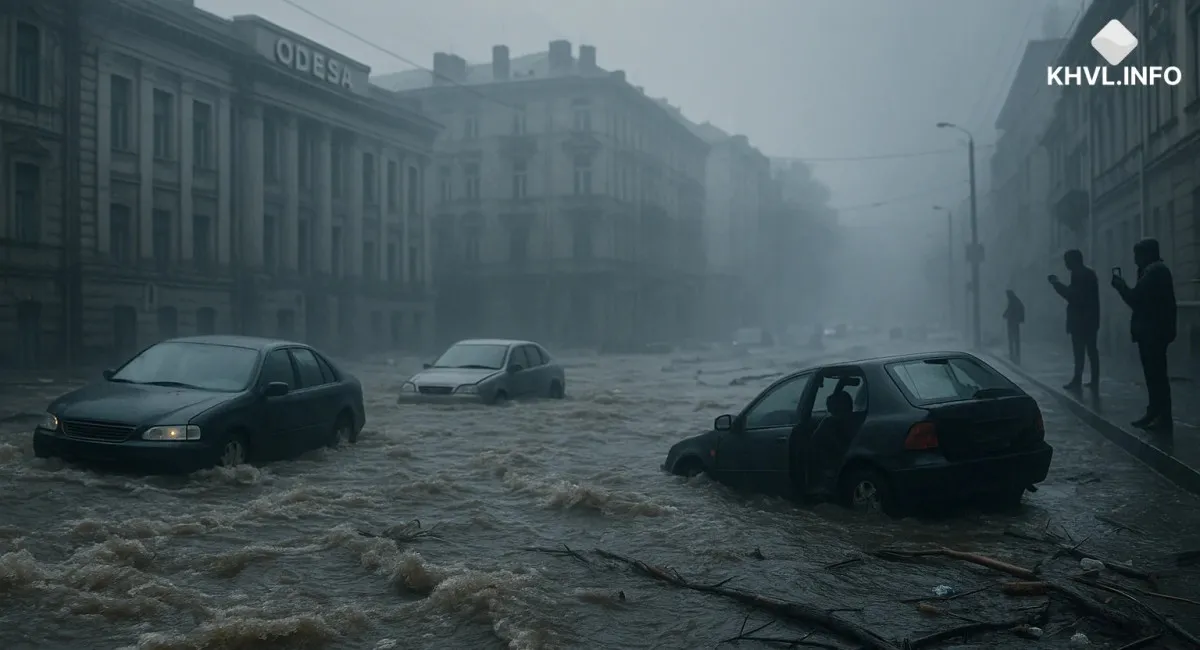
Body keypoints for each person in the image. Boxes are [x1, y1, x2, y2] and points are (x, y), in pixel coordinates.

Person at [1111, 238, 1177, 431]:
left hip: (1152, 333)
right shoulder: (1157, 271)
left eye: (1137, 255)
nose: (1134, 260)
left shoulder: (1154, 272)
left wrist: (1120, 286)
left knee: (1155, 376)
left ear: (1147, 254)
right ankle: (1157, 414)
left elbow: (1136, 299)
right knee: (1156, 375)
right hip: (1155, 331)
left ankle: (1159, 416)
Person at [1049, 249, 1101, 390]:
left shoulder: (1080, 274)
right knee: (1090, 351)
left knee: (1081, 352)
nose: (1066, 264)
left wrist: (1056, 284)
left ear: (1074, 260)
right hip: (1089, 319)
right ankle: (1092, 380)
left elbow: (1073, 296)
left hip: (1081, 320)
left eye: (1067, 261)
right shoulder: (1086, 273)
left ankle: (1079, 379)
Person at [1002, 290, 1025, 364]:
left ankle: (1013, 356)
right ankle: (1016, 356)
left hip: (1012, 323)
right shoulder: (1015, 300)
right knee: (1015, 339)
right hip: (1015, 323)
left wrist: (1005, 315)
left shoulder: (1012, 301)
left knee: (1012, 339)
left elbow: (1010, 310)